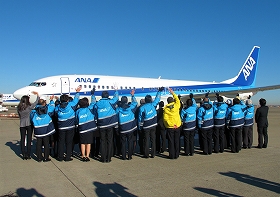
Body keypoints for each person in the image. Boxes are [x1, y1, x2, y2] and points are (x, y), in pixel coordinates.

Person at [55, 86, 82, 161]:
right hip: (70, 127)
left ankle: (60, 157)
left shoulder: (58, 107)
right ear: (67, 100)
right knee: (69, 142)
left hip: (61, 127)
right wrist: (77, 92)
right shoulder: (71, 105)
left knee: (61, 142)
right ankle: (67, 157)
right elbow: (76, 100)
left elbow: (55, 113)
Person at [94, 89, 119, 163]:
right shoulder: (110, 102)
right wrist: (116, 91)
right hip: (110, 125)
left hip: (101, 125)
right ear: (108, 96)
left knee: (103, 141)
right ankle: (108, 158)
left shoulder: (97, 104)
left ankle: (103, 158)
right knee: (109, 141)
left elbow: (95, 113)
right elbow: (116, 98)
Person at [138, 87, 163, 158]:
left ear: (145, 100)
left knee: (146, 140)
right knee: (153, 139)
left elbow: (140, 119)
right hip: (153, 126)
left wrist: (140, 127)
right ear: (151, 100)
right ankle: (153, 153)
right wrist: (159, 91)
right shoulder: (153, 105)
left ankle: (146, 154)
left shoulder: (142, 108)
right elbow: (157, 99)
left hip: (146, 126)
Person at [30, 96, 56, 162]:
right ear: (44, 103)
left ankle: (39, 158)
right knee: (46, 144)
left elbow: (31, 118)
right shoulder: (48, 109)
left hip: (38, 130)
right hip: (46, 129)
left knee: (38, 144)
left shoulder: (34, 112)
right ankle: (46, 157)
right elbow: (53, 107)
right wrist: (51, 100)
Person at [76, 90, 97, 162]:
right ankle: (87, 156)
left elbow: (76, 119)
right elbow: (93, 102)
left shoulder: (78, 111)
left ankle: (83, 155)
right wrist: (93, 95)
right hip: (89, 129)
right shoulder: (90, 108)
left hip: (82, 129)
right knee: (88, 143)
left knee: (82, 143)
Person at [116, 89, 138, 160]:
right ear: (126, 101)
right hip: (130, 128)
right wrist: (132, 95)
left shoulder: (118, 109)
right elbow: (135, 103)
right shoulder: (131, 108)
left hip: (122, 128)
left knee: (123, 142)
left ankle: (123, 156)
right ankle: (130, 155)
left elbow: (116, 118)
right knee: (130, 141)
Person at [17, 91, 39, 160]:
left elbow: (20, 116)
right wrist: (38, 95)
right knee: (29, 140)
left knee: (22, 139)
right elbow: (36, 102)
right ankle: (28, 154)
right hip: (28, 124)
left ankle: (23, 154)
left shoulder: (19, 107)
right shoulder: (29, 107)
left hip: (22, 124)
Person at [163, 88, 182, 159]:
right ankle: (177, 155)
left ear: (167, 102)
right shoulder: (177, 106)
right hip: (177, 126)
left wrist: (169, 125)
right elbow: (177, 100)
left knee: (171, 142)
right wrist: (173, 93)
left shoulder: (166, 109)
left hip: (170, 127)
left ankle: (172, 155)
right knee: (177, 141)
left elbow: (165, 119)